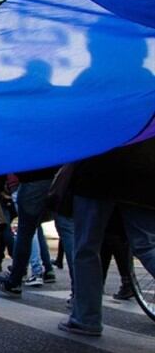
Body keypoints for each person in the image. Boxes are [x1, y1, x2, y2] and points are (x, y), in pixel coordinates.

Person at [62, 137, 155, 336]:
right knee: (147, 245)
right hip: (145, 168)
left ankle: (86, 318)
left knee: (87, 247)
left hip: (98, 169)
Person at [0, 167, 58, 297]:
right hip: (59, 179)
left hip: (31, 179)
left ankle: (19, 278)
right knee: (65, 230)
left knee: (26, 231)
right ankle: (77, 288)